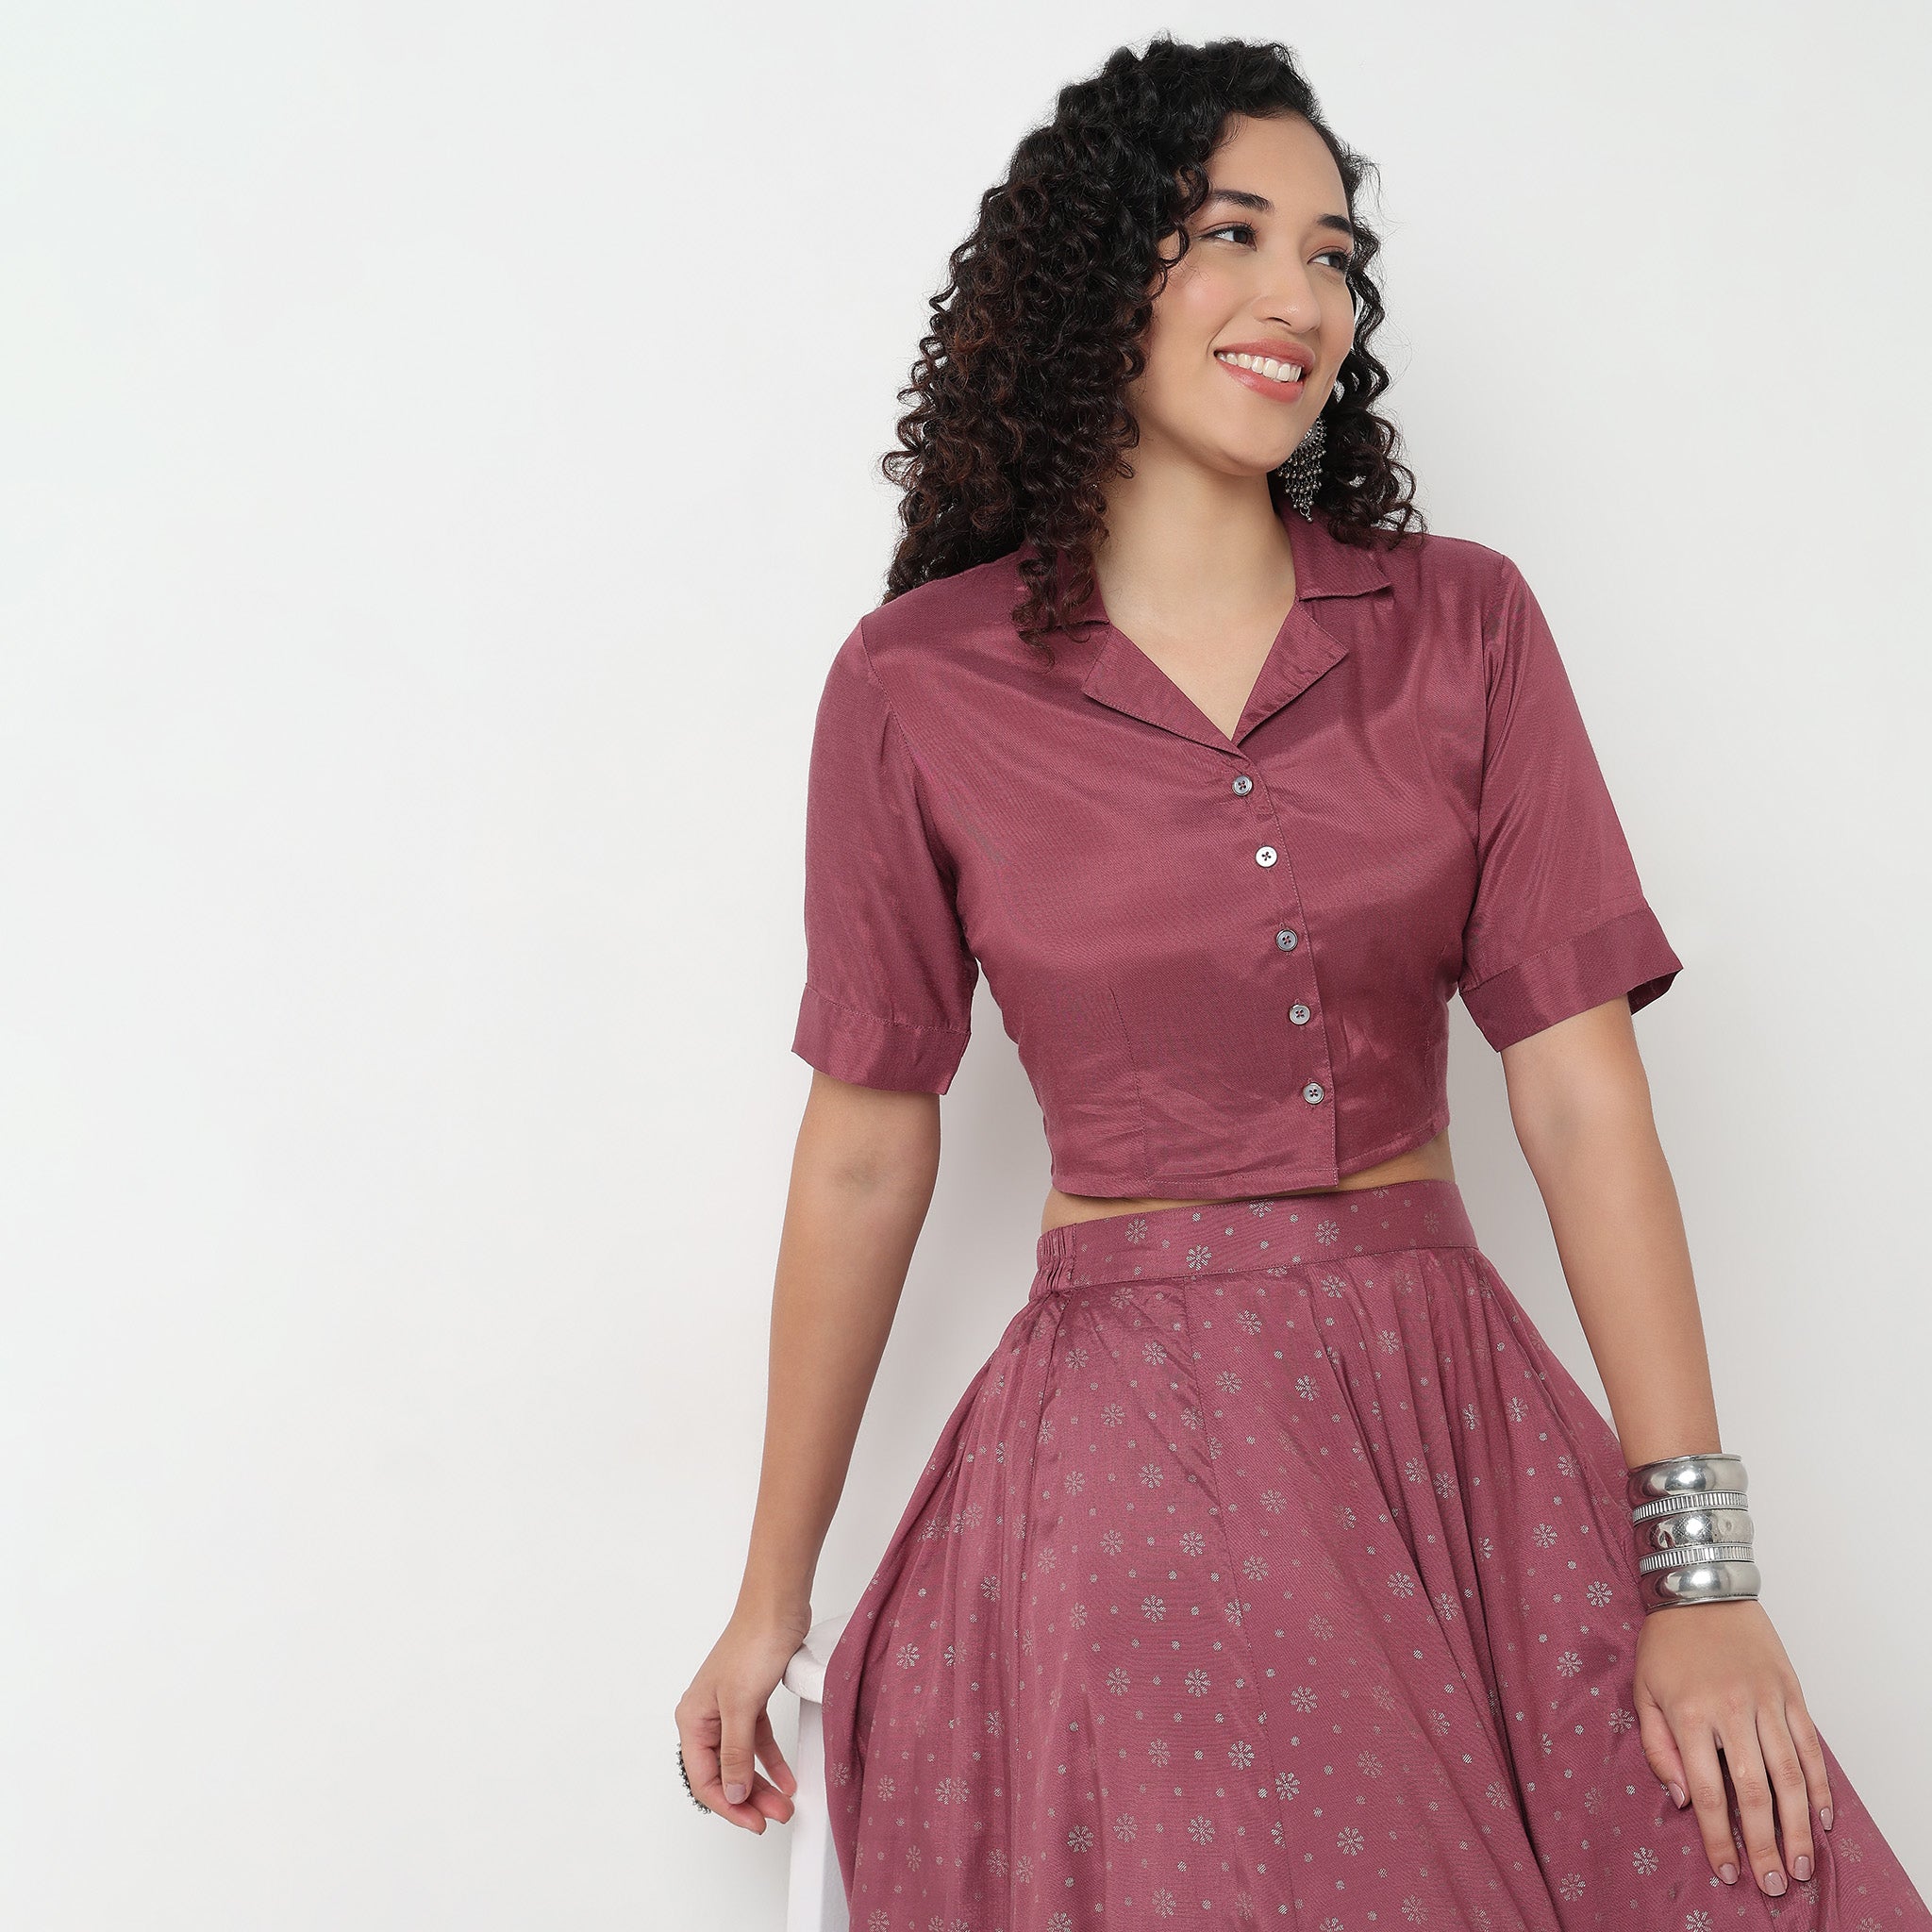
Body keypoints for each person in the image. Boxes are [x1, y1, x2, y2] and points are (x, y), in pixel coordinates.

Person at [675, 35, 1931, 1930]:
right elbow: (863, 1150)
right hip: (1131, 1466)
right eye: (1233, 236)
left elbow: (1579, 1090)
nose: (1300, 298)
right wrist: (768, 1595)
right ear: (1101, 277)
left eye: (1334, 256)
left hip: (1461, 1427)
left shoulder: (1464, 624)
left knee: (1754, 1866)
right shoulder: (916, 684)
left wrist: (1699, 1569)